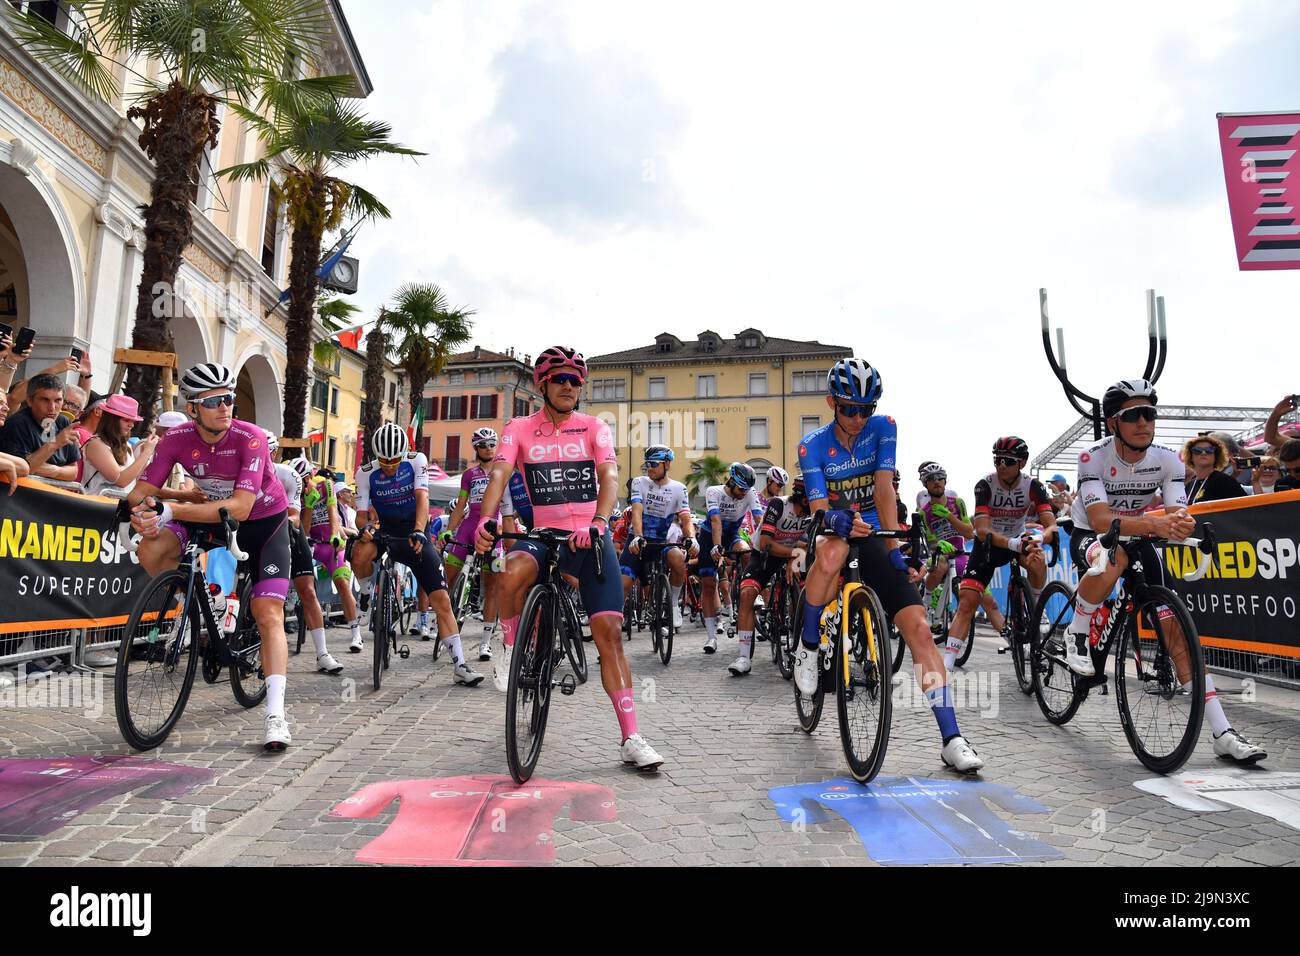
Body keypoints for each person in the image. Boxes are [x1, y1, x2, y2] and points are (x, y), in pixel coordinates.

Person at [473, 345, 665, 770]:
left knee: (610, 633)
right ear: (543, 384)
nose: (567, 386)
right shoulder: (519, 427)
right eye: (559, 379)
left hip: (587, 535)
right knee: (507, 572)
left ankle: (631, 736)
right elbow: (500, 472)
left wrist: (598, 520)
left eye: (575, 380)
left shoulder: (594, 427)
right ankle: (509, 642)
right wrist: (486, 521)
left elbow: (609, 476)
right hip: (542, 535)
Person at [797, 357, 985, 773]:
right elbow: (817, 506)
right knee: (831, 554)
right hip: (836, 524)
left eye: (867, 408)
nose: (860, 418)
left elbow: (884, 488)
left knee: (918, 628)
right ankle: (808, 648)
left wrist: (896, 547)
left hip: (874, 527)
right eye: (850, 408)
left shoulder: (884, 428)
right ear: (832, 403)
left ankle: (952, 737)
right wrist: (834, 518)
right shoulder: (812, 445)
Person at [1063, 379, 1264, 763]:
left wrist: (1182, 524)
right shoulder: (1093, 457)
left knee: (1174, 628)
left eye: (1150, 414)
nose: (1144, 422)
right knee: (1114, 557)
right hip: (1092, 534)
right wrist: (1157, 524)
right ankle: (1076, 633)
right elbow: (1101, 518)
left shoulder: (1169, 459)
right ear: (1112, 423)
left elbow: (1176, 512)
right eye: (1133, 415)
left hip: (1137, 535)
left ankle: (1221, 730)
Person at [128, 362, 295, 751]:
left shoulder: (249, 437)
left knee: (268, 612)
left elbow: (239, 507)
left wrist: (170, 510)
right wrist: (139, 513)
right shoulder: (177, 439)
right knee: (150, 547)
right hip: (210, 518)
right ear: (192, 410)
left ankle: (276, 715)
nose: (226, 407)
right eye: (215, 401)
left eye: (230, 399)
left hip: (261, 522)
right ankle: (203, 604)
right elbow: (141, 490)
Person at [351, 422, 483, 686]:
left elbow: (422, 497)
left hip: (415, 533)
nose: (389, 465)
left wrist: (420, 531)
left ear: (406, 452)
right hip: (386, 533)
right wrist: (365, 528)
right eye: (384, 460)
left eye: (395, 460)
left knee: (442, 600)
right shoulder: (365, 473)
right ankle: (365, 595)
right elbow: (362, 515)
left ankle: (459, 664)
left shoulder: (416, 461)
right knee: (359, 551)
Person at [915, 462, 1005, 638]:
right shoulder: (924, 512)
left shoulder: (957, 503)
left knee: (989, 601)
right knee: (939, 566)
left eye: (940, 478)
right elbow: (930, 543)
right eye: (931, 479)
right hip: (940, 553)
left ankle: (1013, 641)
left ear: (945, 481)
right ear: (925, 484)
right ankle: (928, 599)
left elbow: (969, 533)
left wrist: (949, 516)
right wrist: (939, 545)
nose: (936, 482)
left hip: (960, 553)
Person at [730, 474, 809, 675]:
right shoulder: (778, 505)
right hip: (766, 554)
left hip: (794, 553)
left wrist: (796, 557)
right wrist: (794, 553)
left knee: (810, 593)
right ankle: (744, 657)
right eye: (808, 499)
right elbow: (765, 543)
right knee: (747, 593)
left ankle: (803, 640)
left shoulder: (815, 511)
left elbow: (815, 544)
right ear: (800, 496)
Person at [277, 444, 344, 675]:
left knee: (308, 591)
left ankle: (323, 653)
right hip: (271, 538)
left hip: (293, 537)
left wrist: (310, 505)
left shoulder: (305, 484)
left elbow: (302, 530)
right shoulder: (281, 481)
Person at [440, 427, 502, 659]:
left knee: (493, 586)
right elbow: (460, 506)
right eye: (484, 444)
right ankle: (445, 627)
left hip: (493, 532)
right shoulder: (469, 474)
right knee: (447, 578)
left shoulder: (503, 471)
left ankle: (485, 642)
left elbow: (510, 507)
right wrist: (448, 531)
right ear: (476, 448)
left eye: (492, 444)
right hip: (467, 528)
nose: (488, 448)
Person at [622, 445, 696, 637]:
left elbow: (686, 519)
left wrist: (691, 538)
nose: (649, 468)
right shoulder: (640, 482)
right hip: (638, 540)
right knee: (622, 584)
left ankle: (672, 604)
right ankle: (613, 630)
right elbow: (637, 511)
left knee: (679, 560)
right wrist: (638, 536)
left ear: (667, 464)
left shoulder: (679, 489)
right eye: (647, 464)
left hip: (661, 541)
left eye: (654, 464)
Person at [698, 462, 763, 654]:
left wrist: (761, 544)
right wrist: (717, 547)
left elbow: (759, 520)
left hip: (733, 535)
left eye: (747, 489)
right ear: (732, 481)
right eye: (741, 488)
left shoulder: (749, 493)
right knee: (709, 583)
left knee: (747, 552)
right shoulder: (714, 492)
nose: (744, 493)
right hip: (710, 536)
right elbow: (716, 521)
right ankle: (711, 637)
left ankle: (750, 586)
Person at [301, 458, 364, 653]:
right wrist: (309, 506)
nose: (301, 486)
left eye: (303, 481)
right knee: (306, 588)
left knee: (343, 585)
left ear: (310, 477)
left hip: (333, 544)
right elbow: (305, 530)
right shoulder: (299, 494)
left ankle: (356, 635)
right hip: (314, 545)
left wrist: (336, 536)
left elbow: (332, 514)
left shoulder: (325, 485)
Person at [0, 373, 81, 482]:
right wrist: (55, 443)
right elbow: (25, 469)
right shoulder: (18, 423)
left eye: (58, 400)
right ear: (29, 401)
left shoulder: (63, 421)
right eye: (45, 400)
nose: (52, 408)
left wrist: (52, 470)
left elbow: (73, 472)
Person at [79, 395, 159, 497]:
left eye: (133, 421)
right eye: (126, 420)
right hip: (97, 506)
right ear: (111, 420)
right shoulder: (96, 444)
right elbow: (121, 481)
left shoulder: (127, 445)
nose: (131, 425)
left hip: (118, 506)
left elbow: (137, 478)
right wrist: (146, 452)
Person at [1180, 434, 1247, 505]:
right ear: (1190, 456)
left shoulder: (1224, 481)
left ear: (1216, 456)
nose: (1203, 453)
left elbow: (1246, 508)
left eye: (1209, 450)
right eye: (1197, 450)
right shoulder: (1189, 485)